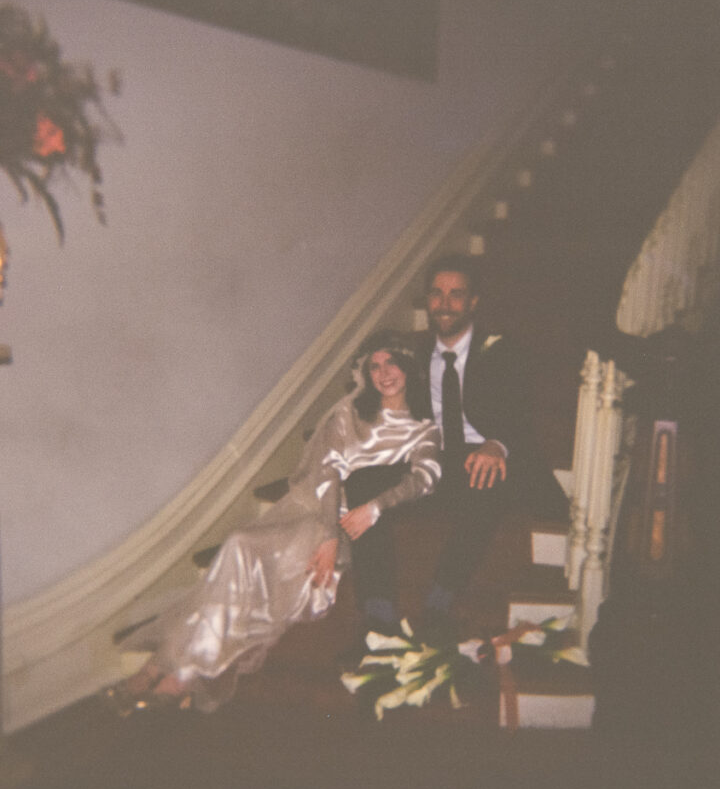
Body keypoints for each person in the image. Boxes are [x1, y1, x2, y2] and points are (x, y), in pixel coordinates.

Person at [103, 330, 440, 715]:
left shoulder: (424, 428)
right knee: (238, 547)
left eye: (391, 363)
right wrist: (327, 535)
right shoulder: (349, 415)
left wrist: (375, 507)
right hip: (316, 512)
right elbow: (328, 472)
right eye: (375, 366)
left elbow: (424, 479)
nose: (383, 373)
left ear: (408, 368)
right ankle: (171, 668)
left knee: (242, 549)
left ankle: (170, 669)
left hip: (354, 526)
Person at [346, 254, 569, 634]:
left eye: (456, 294)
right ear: (427, 300)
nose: (444, 304)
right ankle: (379, 612)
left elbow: (520, 412)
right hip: (429, 461)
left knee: (486, 475)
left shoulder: (503, 351)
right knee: (361, 482)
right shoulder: (410, 355)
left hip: (479, 459)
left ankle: (439, 602)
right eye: (436, 294)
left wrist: (497, 444)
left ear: (473, 302)